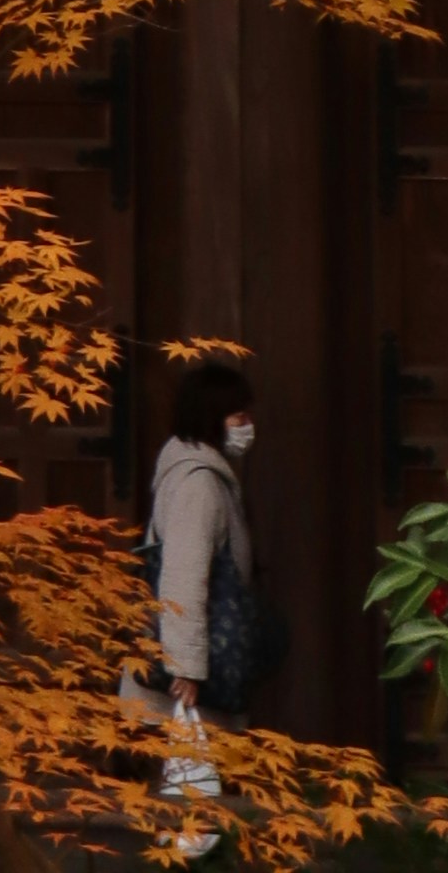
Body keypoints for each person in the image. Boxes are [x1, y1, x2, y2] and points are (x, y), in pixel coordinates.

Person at [143, 355, 264, 845]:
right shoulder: (199, 485)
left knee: (187, 821)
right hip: (191, 685)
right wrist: (186, 667)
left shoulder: (189, 470)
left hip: (187, 673)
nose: (247, 426)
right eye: (238, 416)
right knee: (190, 825)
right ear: (213, 416)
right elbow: (184, 578)